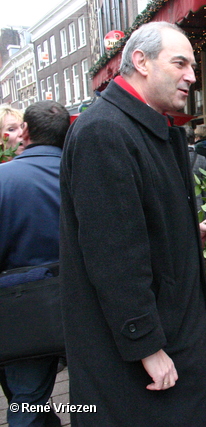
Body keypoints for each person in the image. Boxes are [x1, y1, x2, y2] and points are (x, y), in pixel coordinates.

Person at [59, 22, 206, 426]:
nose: (192, 76)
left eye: (192, 65)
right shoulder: (105, 132)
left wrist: (186, 233)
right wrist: (146, 346)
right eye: (180, 63)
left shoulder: (137, 126)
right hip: (148, 359)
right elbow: (111, 256)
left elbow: (133, 221)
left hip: (176, 333)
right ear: (140, 61)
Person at [0, 100, 69, 427]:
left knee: (27, 399)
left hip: (23, 307)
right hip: (81, 301)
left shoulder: (4, 179)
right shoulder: (82, 174)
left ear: (25, 131)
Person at [184, 124, 206, 212]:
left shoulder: (173, 158)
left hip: (181, 205)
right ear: (194, 138)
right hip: (198, 205)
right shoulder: (201, 159)